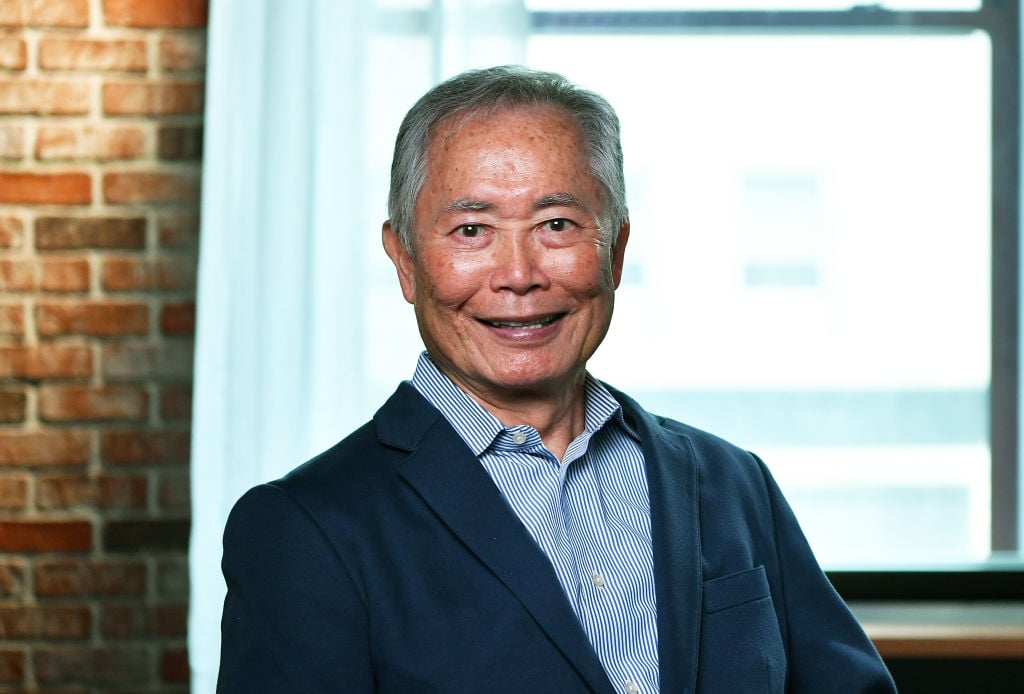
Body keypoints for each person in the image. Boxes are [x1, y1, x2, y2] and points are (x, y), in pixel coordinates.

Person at [217, 65, 896, 693]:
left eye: (557, 223)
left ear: (617, 248)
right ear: (403, 260)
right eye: (472, 229)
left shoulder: (731, 484)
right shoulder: (304, 531)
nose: (519, 273)